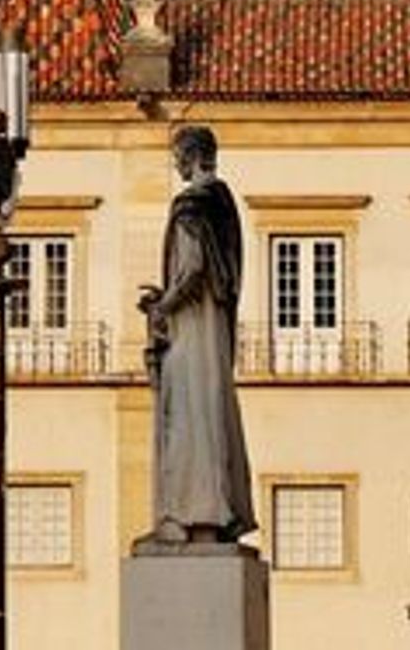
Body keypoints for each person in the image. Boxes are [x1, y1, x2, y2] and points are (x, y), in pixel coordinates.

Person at [136, 126, 256, 545]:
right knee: (211, 408)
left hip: (192, 327)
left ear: (191, 156)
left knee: (188, 416)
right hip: (213, 325)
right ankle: (217, 511)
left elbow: (192, 267)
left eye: (177, 156)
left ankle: (194, 512)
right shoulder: (225, 204)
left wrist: (162, 305)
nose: (175, 163)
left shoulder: (191, 204)